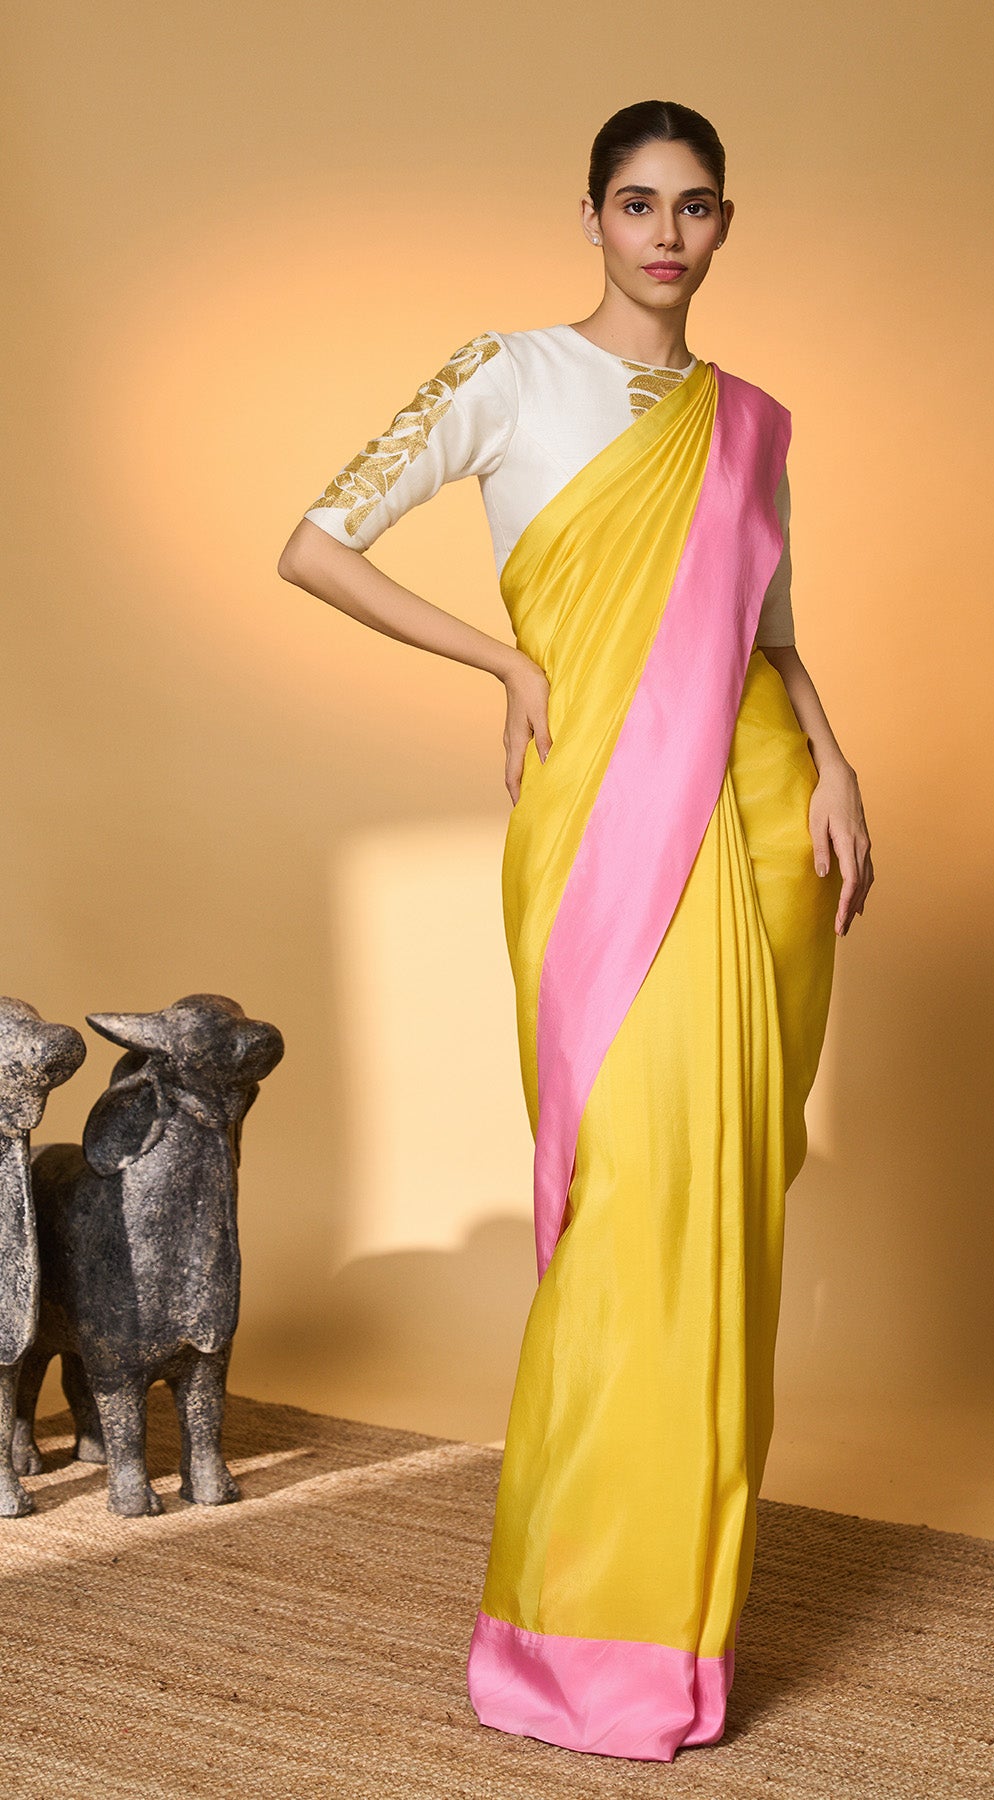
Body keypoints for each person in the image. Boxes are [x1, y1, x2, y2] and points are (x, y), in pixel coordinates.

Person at [278, 98, 874, 1764]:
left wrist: (836, 764)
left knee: (723, 1208)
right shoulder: (510, 373)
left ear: (725, 224)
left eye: (695, 207)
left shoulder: (752, 421)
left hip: (763, 816)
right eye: (636, 203)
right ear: (593, 217)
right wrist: (505, 660)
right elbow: (314, 547)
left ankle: (680, 1633)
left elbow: (768, 632)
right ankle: (575, 1635)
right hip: (603, 817)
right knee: (637, 1207)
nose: (666, 235)